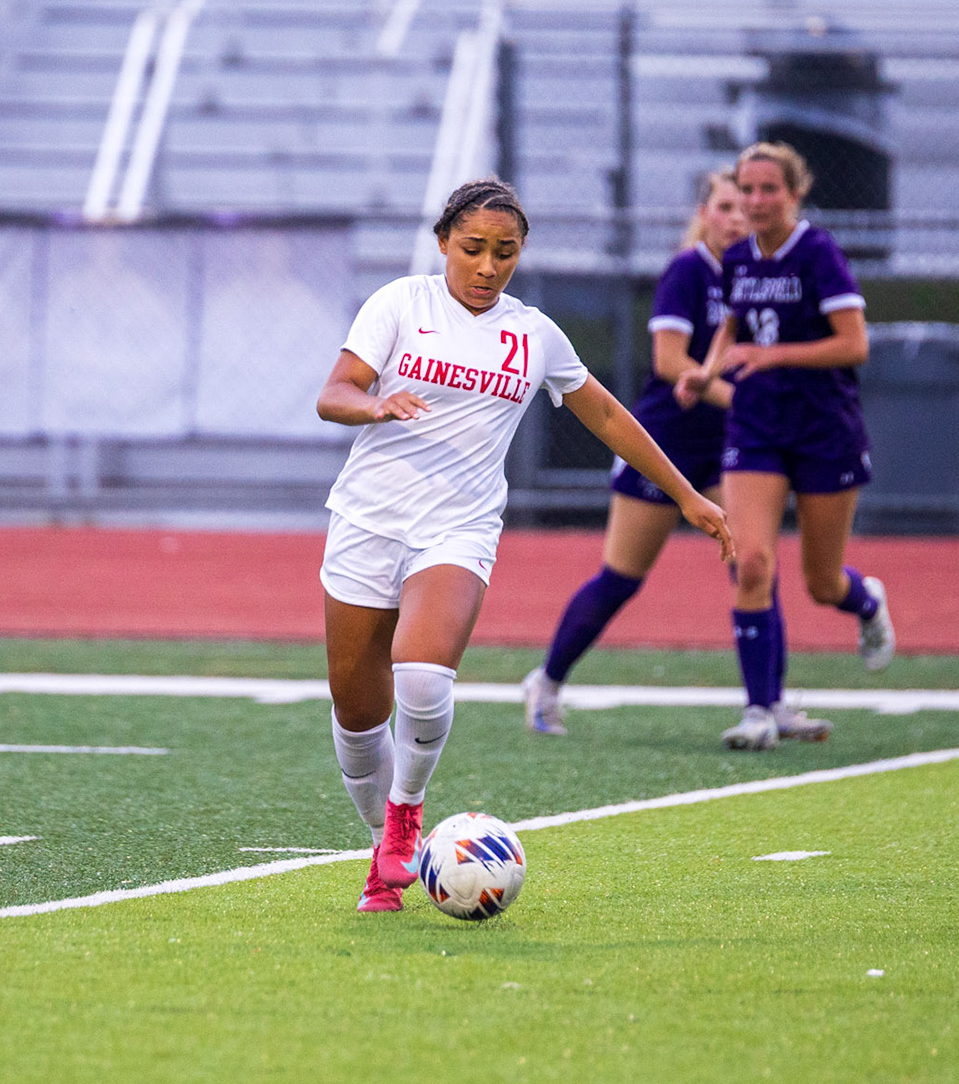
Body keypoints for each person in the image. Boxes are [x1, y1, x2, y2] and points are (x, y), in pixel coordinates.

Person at [316, 177, 733, 913]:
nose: (487, 266)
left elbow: (607, 415)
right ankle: (381, 852)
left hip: (459, 527)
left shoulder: (534, 334)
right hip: (367, 522)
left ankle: (405, 817)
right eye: (472, 248)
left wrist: (685, 494)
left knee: (423, 678)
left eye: (504, 252)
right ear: (443, 242)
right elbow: (334, 393)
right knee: (356, 715)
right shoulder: (400, 304)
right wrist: (374, 405)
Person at [677, 141, 895, 751]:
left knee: (822, 583)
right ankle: (757, 711)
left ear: (795, 193)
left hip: (824, 427)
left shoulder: (818, 252)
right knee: (750, 563)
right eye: (747, 190)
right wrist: (706, 372)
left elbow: (854, 344)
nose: (755, 201)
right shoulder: (739, 258)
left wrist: (772, 356)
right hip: (757, 425)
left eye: (769, 189)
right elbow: (732, 325)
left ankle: (867, 602)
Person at [523, 170, 755, 736]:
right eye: (725, 206)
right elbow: (669, 362)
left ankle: (765, 706)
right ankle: (546, 682)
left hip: (724, 446)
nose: (737, 218)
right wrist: (749, 401)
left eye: (745, 208)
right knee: (622, 577)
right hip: (663, 444)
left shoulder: (758, 276)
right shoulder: (687, 270)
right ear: (703, 213)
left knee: (752, 567)